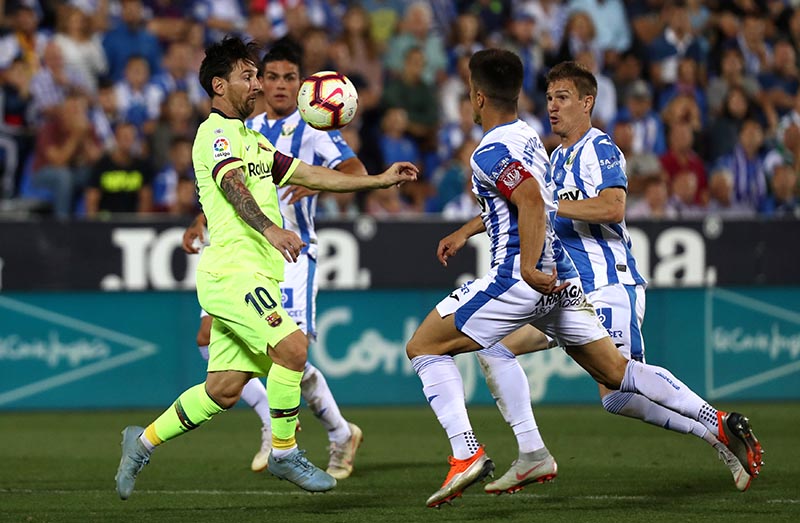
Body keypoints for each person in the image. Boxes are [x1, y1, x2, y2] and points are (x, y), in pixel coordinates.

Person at [405, 49, 762, 508]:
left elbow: (610, 207)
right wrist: (467, 230)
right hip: (563, 284)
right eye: (550, 97)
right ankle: (535, 450)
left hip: (606, 281)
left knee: (614, 389)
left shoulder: (599, 148)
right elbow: (519, 202)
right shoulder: (545, 152)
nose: (553, 105)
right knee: (513, 354)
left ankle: (716, 432)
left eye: (564, 97)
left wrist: (544, 215)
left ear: (588, 102)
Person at [115, 36, 417, 500]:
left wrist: (378, 179)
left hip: (255, 274)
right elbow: (232, 185)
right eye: (249, 75)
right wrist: (270, 229)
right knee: (293, 349)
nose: (257, 84)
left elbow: (309, 173)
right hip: (233, 273)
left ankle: (142, 441)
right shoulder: (215, 134)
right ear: (220, 85)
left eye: (259, 74)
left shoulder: (253, 139)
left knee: (222, 389)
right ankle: (283, 450)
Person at [181, 42, 367, 480]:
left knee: (288, 350)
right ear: (259, 82)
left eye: (289, 77)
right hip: (244, 254)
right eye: (272, 77)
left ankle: (331, 434)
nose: (279, 85)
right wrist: (199, 220)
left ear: (302, 85)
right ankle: (283, 426)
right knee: (209, 338)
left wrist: (319, 186)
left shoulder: (316, 126)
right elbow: (228, 182)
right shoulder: (248, 127)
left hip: (295, 255)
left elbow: (355, 173)